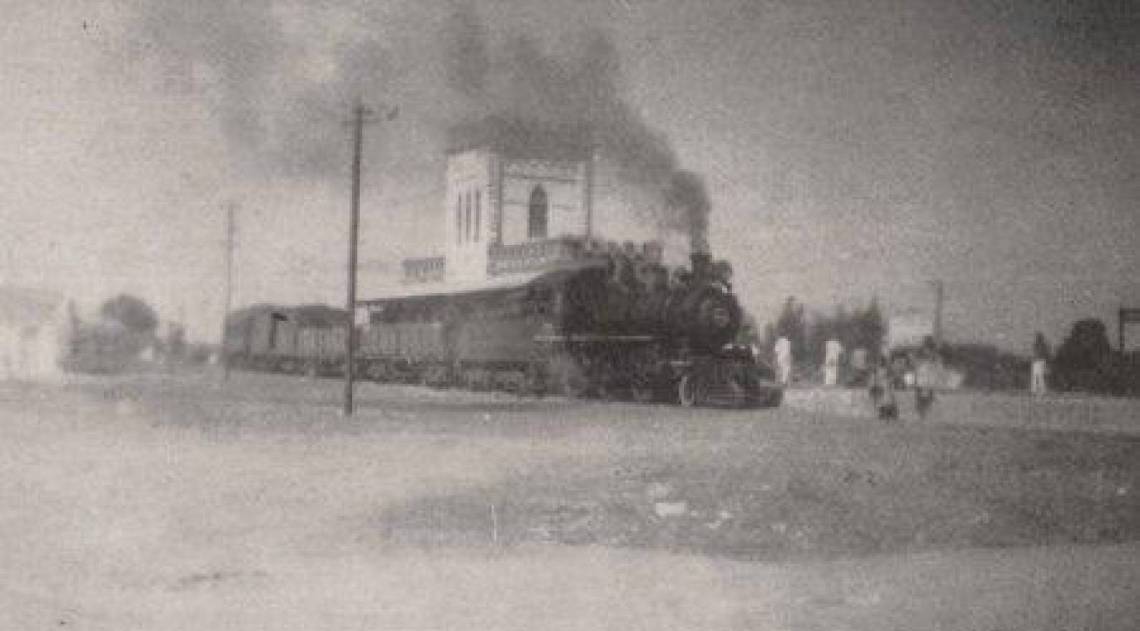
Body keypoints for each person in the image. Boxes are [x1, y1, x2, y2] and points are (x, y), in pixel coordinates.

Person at [913, 337, 941, 419]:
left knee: (927, 396)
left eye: (927, 346)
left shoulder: (934, 356)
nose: (926, 349)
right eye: (925, 346)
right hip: (922, 377)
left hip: (928, 378)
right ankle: (922, 412)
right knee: (921, 395)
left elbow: (938, 366)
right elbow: (916, 364)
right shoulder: (920, 354)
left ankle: (924, 412)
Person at [870, 356, 898, 421]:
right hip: (883, 388)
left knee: (886, 400)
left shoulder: (880, 370)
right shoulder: (880, 370)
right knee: (885, 401)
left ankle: (887, 413)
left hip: (884, 387)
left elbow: (890, 378)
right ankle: (886, 413)